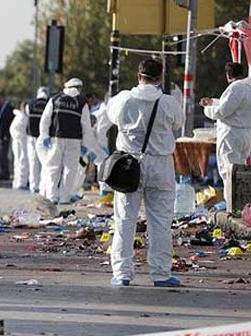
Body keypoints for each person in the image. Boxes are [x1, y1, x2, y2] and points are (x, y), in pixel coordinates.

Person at [106, 58, 184, 287]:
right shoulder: (169, 103)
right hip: (161, 165)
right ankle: (161, 273)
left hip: (129, 166)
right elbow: (177, 124)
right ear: (160, 78)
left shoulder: (123, 100)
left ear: (138, 75)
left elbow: (111, 117)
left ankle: (122, 274)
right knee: (160, 222)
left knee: (124, 220)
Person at [200, 62, 251, 208]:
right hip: (245, 134)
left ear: (228, 75)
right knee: (241, 173)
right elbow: (232, 105)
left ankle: (232, 208)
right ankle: (242, 206)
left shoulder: (235, 89)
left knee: (229, 172)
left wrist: (208, 108)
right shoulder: (249, 89)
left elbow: (222, 112)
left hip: (232, 135)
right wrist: (213, 101)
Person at [37, 78, 98, 204]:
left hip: (55, 138)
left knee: (53, 168)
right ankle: (64, 198)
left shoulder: (55, 99)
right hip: (73, 141)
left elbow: (45, 119)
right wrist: (86, 145)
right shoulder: (81, 102)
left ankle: (52, 196)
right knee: (70, 170)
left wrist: (44, 135)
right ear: (78, 88)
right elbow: (86, 126)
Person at [26, 87, 49, 193]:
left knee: (33, 161)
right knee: (44, 162)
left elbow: (27, 115)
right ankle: (42, 186)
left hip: (31, 136)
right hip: (44, 137)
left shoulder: (30, 104)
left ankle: (33, 185)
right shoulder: (49, 104)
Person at [9, 101, 29, 190]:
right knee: (22, 161)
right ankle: (21, 182)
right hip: (21, 141)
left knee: (18, 161)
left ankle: (17, 181)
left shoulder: (18, 117)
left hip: (17, 141)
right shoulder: (23, 117)